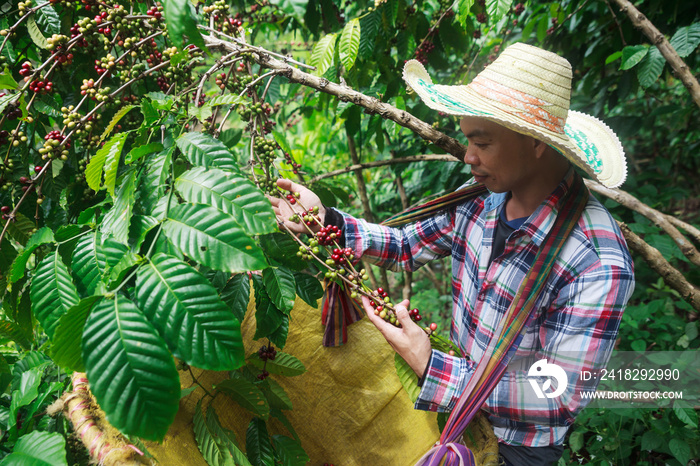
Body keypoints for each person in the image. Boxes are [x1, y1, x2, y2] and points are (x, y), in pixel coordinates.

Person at [270, 43, 635, 466]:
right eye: (468, 140)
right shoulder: (479, 200)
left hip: (515, 448)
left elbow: (558, 395)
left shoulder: (596, 261)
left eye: (482, 143)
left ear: (536, 142)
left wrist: (429, 363)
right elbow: (407, 244)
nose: (469, 157)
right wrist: (324, 218)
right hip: (452, 412)